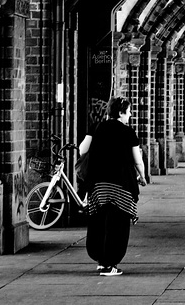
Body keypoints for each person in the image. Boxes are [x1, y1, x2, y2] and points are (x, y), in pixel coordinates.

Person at [78, 96, 147, 277]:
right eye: (129, 111)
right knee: (118, 225)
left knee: (99, 222)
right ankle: (110, 264)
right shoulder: (128, 132)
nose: (130, 115)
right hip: (121, 186)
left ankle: (101, 261)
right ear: (121, 112)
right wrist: (143, 176)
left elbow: (82, 149)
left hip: (98, 184)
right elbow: (137, 160)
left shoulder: (97, 127)